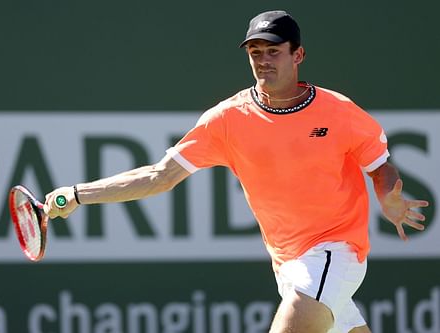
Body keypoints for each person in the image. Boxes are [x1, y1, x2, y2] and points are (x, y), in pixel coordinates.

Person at [43, 10, 429, 333]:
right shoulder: (227, 120)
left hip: (336, 252)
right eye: (255, 51)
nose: (263, 60)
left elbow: (380, 167)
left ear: (298, 55)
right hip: (288, 262)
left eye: (273, 51)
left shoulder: (339, 112)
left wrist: (387, 196)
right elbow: (159, 177)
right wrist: (76, 194)